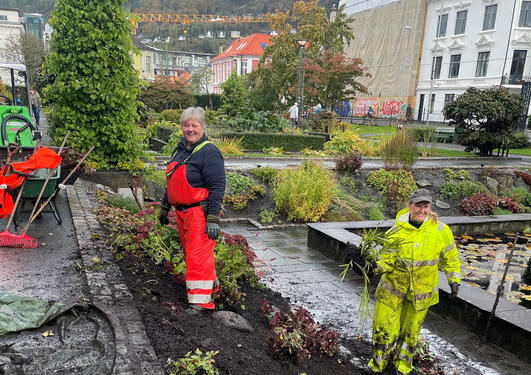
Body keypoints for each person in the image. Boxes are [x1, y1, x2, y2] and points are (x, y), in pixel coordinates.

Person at [367, 189, 460, 374]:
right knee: (382, 326)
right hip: (393, 287)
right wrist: (373, 267)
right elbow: (387, 258)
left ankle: (402, 367)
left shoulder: (440, 230)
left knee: (410, 332)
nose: (421, 210)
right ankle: (377, 365)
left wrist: (454, 279)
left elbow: (451, 257)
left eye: (425, 206)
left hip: (422, 291)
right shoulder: (396, 230)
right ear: (410, 205)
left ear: (430, 207)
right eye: (418, 206)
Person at [158, 107, 226, 311]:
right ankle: (211, 288)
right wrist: (164, 206)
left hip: (200, 214)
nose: (189, 129)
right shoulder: (180, 150)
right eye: (186, 125)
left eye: (194, 125)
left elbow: (218, 186)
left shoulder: (209, 152)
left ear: (202, 127)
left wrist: (213, 218)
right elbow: (172, 181)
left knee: (197, 257)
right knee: (194, 255)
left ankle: (200, 304)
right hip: (182, 213)